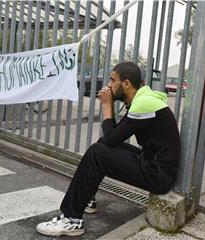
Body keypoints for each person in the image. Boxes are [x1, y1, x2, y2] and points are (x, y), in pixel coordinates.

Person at [36, 62, 180, 236]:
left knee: (98, 152)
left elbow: (113, 138)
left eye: (112, 80)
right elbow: (112, 138)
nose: (108, 85)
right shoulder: (142, 99)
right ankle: (87, 198)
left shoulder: (145, 103)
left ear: (126, 83)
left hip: (159, 175)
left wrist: (106, 106)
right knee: (101, 144)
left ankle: (71, 219)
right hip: (151, 163)